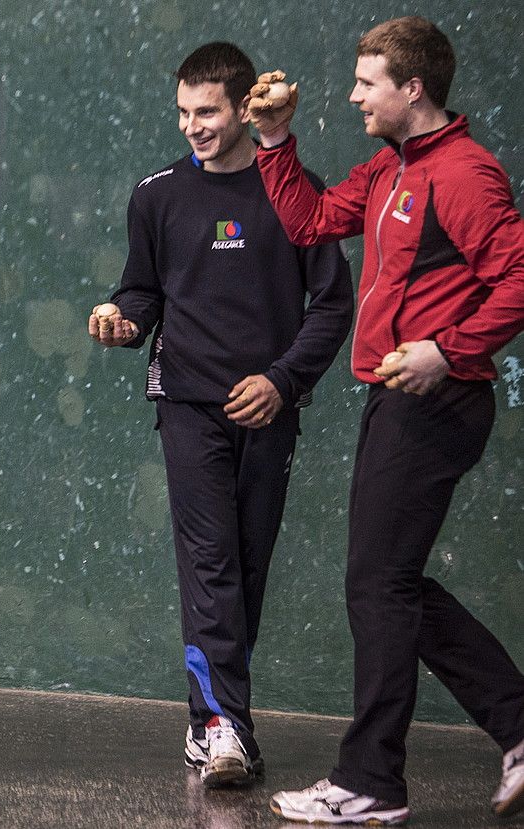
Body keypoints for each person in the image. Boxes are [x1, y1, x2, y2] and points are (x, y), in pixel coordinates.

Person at [251, 16, 524, 825]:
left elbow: (516, 277)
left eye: (367, 82)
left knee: (378, 584)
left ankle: (370, 778)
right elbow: (308, 222)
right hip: (394, 398)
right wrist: (273, 139)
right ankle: (513, 722)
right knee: (388, 583)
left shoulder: (465, 174)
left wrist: (448, 346)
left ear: (413, 88)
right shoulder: (387, 169)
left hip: (436, 400)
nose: (352, 94)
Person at [89, 42, 351, 789]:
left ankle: (213, 718)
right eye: (182, 112)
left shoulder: (296, 194)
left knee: (244, 567)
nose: (192, 126)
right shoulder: (156, 194)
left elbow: (332, 303)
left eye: (206, 111)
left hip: (269, 410)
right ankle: (222, 725)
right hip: (188, 406)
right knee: (209, 565)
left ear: (243, 108)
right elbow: (141, 291)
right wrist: (119, 318)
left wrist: (282, 379)